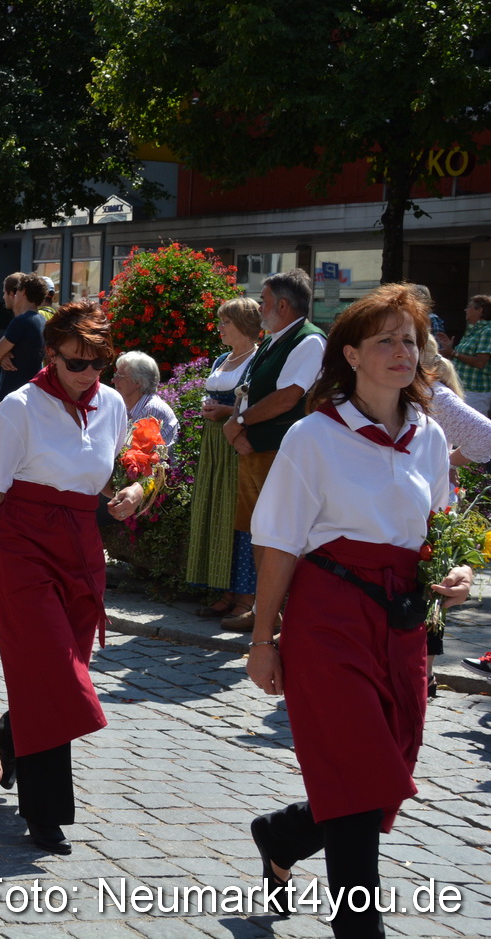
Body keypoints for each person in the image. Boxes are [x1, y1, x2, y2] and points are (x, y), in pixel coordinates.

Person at [246, 285, 473, 938]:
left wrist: (455, 573)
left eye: (412, 340)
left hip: (401, 623)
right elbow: (279, 542)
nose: (405, 351)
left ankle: (283, 832)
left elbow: (436, 526)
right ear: (351, 353)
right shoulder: (314, 437)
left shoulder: (428, 435)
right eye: (387, 340)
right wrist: (264, 639)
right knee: (358, 774)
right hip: (330, 619)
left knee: (381, 773)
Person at [0, 302, 136, 856]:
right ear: (51, 356)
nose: (89, 374)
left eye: (98, 364)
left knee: (61, 671)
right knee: (53, 677)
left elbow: (118, 471)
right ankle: (44, 815)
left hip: (82, 548)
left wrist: (136, 493)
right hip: (24, 548)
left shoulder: (111, 403)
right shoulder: (19, 407)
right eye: (76, 363)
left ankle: (12, 738)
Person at [220, 269, 326, 633]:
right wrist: (235, 429)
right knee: (259, 532)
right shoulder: (275, 339)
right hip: (257, 450)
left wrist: (241, 423)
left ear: (282, 305)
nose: (259, 308)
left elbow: (287, 397)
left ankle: (281, 612)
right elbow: (248, 390)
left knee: (278, 535)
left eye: (264, 301)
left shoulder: (308, 341)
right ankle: (268, 611)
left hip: (280, 453)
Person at [186, 297, 264, 623]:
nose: (220, 327)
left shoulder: (258, 360)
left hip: (238, 445)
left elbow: (260, 403)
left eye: (226, 322)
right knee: (217, 513)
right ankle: (226, 592)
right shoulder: (223, 358)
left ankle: (247, 598)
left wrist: (226, 412)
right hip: (215, 448)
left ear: (244, 324)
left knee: (240, 518)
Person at [0, 272, 47, 402]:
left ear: (23, 292)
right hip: (33, 392)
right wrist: (4, 355)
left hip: (14, 393)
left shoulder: (21, 321)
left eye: (18, 291)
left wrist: (2, 355)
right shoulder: (42, 321)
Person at [111, 351, 178, 446]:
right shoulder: (126, 407)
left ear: (138, 382)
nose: (113, 380)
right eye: (115, 375)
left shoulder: (152, 410)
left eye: (120, 377)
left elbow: (135, 453)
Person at [441, 294, 491, 414]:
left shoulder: (487, 331)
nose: (465, 310)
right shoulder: (472, 330)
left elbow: (480, 362)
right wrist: (448, 351)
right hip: (463, 388)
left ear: (480, 310)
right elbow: (458, 357)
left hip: (475, 392)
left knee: (474, 430)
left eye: (469, 307)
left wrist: (453, 353)